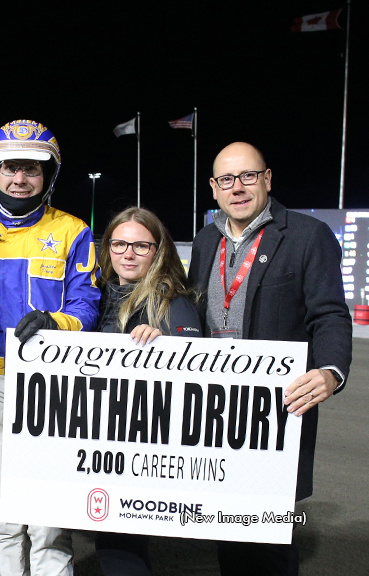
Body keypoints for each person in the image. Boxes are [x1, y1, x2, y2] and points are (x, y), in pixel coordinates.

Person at [188, 141, 351, 575]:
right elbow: (190, 312)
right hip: (214, 411)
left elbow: (330, 314)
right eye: (226, 179)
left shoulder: (305, 236)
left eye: (247, 176)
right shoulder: (206, 241)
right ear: (213, 188)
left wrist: (331, 371)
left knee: (269, 539)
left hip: (274, 411)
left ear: (267, 179)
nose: (237, 187)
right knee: (227, 531)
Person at [0, 119, 100, 576]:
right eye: (11, 168)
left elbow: (87, 304)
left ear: (48, 176)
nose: (20, 179)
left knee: (50, 519)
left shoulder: (74, 231)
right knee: (4, 512)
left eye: (32, 169)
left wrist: (56, 321)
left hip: (54, 387)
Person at [91, 207, 201, 575]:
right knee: (109, 541)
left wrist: (165, 342)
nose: (128, 253)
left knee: (121, 545)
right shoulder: (97, 294)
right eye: (119, 243)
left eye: (141, 245)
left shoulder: (173, 301)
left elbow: (195, 368)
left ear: (159, 250)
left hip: (140, 447)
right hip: (97, 439)